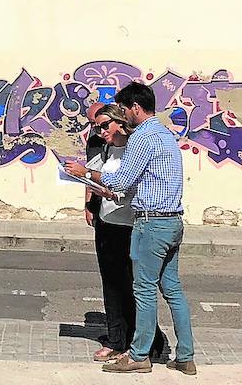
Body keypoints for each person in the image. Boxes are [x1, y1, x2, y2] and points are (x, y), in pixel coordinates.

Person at [64, 81, 196, 376]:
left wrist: (86, 172)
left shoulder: (142, 138)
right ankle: (185, 355)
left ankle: (138, 355)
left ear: (136, 108)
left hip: (151, 222)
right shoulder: (166, 135)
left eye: (124, 109)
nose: (123, 116)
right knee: (172, 290)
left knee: (144, 290)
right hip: (174, 220)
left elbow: (120, 180)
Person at [82, 101, 169, 364]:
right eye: (97, 128)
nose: (100, 132)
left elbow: (127, 186)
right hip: (108, 224)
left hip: (132, 225)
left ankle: (146, 341)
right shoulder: (105, 149)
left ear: (120, 122)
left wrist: (104, 187)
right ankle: (116, 340)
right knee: (111, 284)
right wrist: (90, 201)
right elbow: (93, 175)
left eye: (104, 126)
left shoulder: (136, 148)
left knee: (135, 287)